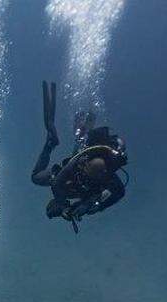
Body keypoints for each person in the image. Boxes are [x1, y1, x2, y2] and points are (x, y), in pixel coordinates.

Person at [31, 81, 128, 233]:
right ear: (85, 163)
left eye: (96, 174)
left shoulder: (108, 179)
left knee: (37, 178)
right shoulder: (79, 163)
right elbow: (57, 184)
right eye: (90, 171)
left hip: (75, 186)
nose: (90, 175)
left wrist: (90, 206)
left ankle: (52, 142)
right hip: (71, 180)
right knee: (37, 178)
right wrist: (65, 206)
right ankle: (57, 141)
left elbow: (118, 193)